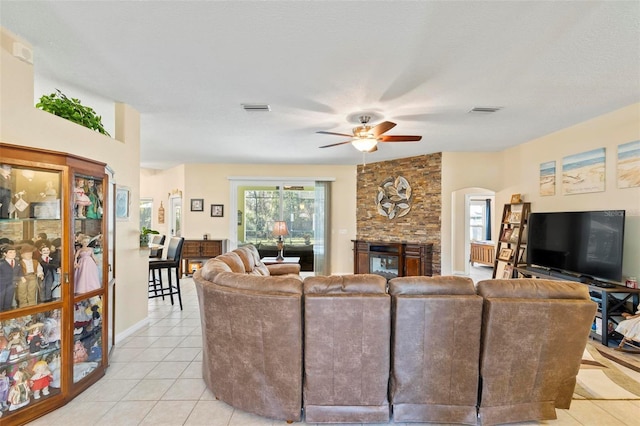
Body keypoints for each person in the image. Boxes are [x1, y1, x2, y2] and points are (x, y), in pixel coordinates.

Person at [0, 245, 24, 312]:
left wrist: (22, 277)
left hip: (12, 284)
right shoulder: (1, 263)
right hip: (2, 284)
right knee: (1, 299)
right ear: (5, 254)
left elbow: (20, 271)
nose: (13, 254)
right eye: (10, 252)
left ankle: (7, 314)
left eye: (14, 252)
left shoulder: (17, 262)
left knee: (9, 299)